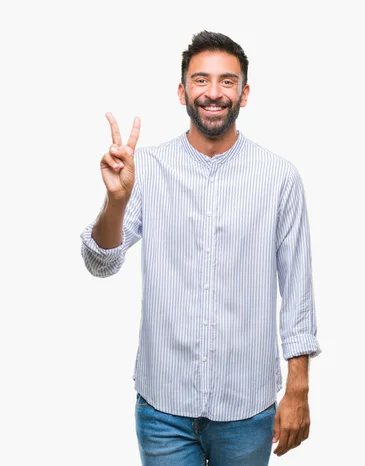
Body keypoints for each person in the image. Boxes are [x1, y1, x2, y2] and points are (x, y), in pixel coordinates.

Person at [80, 30, 321, 465]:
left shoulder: (279, 178)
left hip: (247, 409)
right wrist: (116, 201)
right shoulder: (147, 170)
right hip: (162, 409)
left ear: (244, 94)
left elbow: (297, 292)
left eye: (227, 81)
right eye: (201, 80)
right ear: (182, 91)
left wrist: (298, 387)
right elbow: (100, 263)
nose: (214, 93)